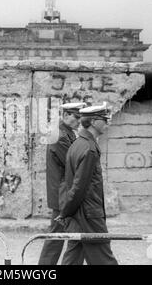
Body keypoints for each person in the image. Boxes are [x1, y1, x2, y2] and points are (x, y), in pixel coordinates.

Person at [57, 102, 118, 265]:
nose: (107, 123)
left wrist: (67, 211)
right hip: (89, 215)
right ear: (93, 122)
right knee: (105, 260)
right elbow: (78, 187)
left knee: (73, 258)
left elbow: (71, 183)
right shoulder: (89, 149)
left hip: (79, 214)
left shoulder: (78, 144)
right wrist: (65, 212)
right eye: (104, 119)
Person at [38, 102, 86, 265]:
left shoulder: (66, 132)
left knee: (61, 234)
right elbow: (73, 163)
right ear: (66, 116)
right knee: (58, 235)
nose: (79, 121)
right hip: (62, 193)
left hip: (64, 192)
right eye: (77, 117)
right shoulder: (59, 135)